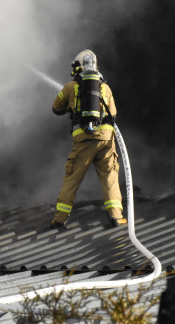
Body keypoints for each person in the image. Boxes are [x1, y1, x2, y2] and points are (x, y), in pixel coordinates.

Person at [49, 49, 127, 229]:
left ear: (78, 67)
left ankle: (59, 219)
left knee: (72, 179)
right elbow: (113, 114)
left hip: (83, 140)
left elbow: (56, 108)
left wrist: (73, 106)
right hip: (106, 141)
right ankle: (116, 216)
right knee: (110, 177)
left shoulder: (70, 87)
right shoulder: (105, 87)